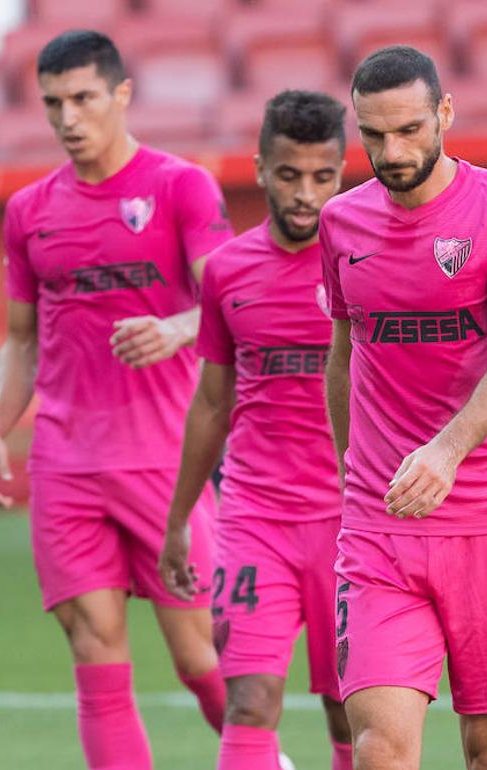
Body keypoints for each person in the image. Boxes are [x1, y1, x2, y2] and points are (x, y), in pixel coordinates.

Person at [0, 29, 234, 770]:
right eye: (53, 102)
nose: (67, 117)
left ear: (121, 94)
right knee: (94, 648)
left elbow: (229, 300)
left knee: (201, 655)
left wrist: (180, 329)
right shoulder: (28, 211)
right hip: (65, 461)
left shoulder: (182, 188)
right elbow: (21, 340)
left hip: (163, 458)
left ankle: (262, 759)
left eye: (83, 98)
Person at [321, 46, 487, 770]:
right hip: (380, 529)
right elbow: (343, 351)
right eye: (374, 135)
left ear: (445, 115)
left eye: (411, 130)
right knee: (378, 750)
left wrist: (446, 451)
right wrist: (348, 472)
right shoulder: (340, 224)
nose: (393, 152)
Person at [159, 90, 354, 770]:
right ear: (260, 169)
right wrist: (181, 518)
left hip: (351, 526)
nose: (305, 195)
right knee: (249, 701)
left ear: (341, 172)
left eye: (322, 177)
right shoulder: (230, 272)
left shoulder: (367, 263)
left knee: (353, 709)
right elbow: (212, 404)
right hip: (255, 521)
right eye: (289, 175)